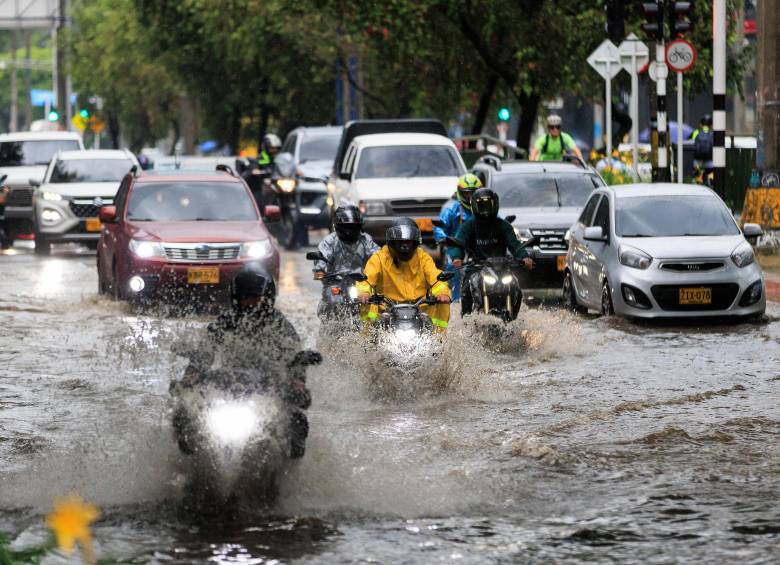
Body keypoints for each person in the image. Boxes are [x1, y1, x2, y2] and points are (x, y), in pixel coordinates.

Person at [175, 263, 312, 458]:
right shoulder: (223, 323)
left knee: (296, 421)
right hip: (230, 386)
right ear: (235, 298)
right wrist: (191, 376)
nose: (250, 303)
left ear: (267, 298)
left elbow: (295, 359)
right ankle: (190, 466)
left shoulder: (281, 326)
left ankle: (291, 474)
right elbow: (203, 353)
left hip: (268, 391)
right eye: (245, 297)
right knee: (185, 414)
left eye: (255, 298)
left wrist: (296, 383)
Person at [450, 188, 534, 317]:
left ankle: (514, 320)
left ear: (495, 205)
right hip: (476, 267)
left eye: (488, 205)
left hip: (502, 268)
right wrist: (457, 257)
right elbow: (458, 242)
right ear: (475, 206)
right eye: (482, 205)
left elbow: (515, 245)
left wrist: (524, 257)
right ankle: (465, 321)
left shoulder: (504, 225)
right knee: (466, 288)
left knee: (516, 287)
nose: (485, 209)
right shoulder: (468, 226)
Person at [356, 218, 451, 330]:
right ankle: (366, 340)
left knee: (443, 304)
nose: (405, 246)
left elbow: (435, 276)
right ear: (392, 243)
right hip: (387, 309)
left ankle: (439, 339)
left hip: (419, 308)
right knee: (366, 307)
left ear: (415, 242)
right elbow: (367, 278)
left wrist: (442, 293)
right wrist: (364, 293)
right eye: (400, 242)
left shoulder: (423, 257)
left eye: (408, 242)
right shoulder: (379, 258)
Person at [313, 205, 380, 316]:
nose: (349, 231)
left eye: (352, 227)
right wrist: (321, 273)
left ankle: (372, 327)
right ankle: (331, 326)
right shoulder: (329, 241)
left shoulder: (366, 240)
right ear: (337, 226)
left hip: (362, 282)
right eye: (346, 227)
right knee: (333, 300)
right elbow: (321, 262)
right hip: (336, 283)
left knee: (375, 305)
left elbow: (378, 257)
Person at [433, 173, 479, 301]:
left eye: (473, 194)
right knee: (454, 268)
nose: (470, 198)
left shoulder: (484, 207)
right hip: (455, 247)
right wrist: (443, 238)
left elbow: (498, 220)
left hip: (480, 245)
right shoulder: (451, 209)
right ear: (460, 193)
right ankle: (455, 300)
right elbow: (439, 226)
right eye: (467, 194)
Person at [691, 114, 714, 184]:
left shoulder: (696, 132)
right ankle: (711, 184)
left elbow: (691, 144)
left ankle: (698, 181)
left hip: (697, 162)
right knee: (711, 174)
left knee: (697, 174)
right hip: (710, 162)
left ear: (701, 124)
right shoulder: (713, 133)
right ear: (711, 125)